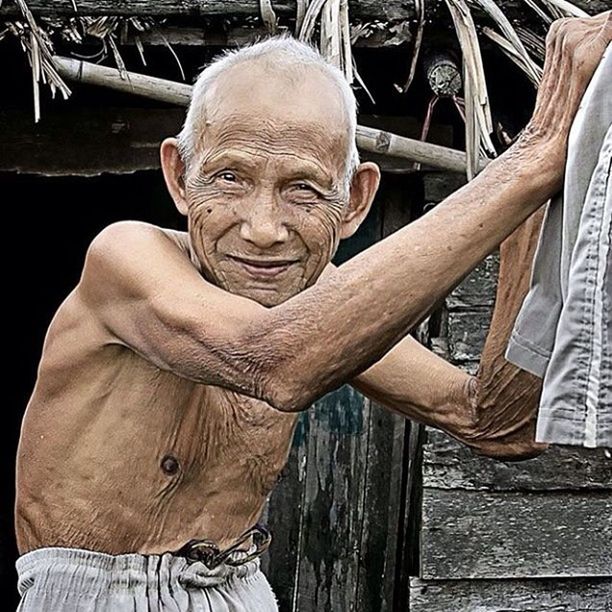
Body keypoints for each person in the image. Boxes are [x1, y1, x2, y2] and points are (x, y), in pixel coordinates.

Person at [14, 12, 611, 611]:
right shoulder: (125, 259)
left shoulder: (311, 302)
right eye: (228, 178)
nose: (264, 230)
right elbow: (274, 360)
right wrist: (531, 159)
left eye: (302, 188)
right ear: (179, 176)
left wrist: (532, 210)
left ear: (354, 203)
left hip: (235, 586)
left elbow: (497, 424)